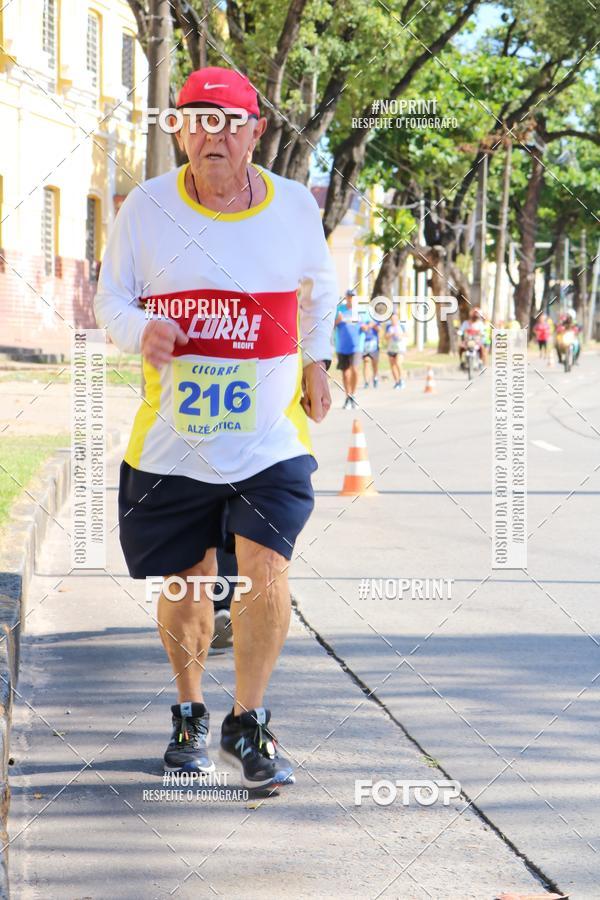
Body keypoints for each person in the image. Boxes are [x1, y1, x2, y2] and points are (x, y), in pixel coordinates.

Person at [94, 66, 338, 789]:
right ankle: (192, 709)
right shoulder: (145, 208)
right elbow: (110, 299)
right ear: (180, 131)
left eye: (231, 122)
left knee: (266, 569)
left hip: (269, 440)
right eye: (198, 120)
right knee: (186, 580)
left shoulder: (293, 208)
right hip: (174, 441)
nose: (215, 135)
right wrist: (142, 328)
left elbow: (321, 287)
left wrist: (317, 360)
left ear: (255, 133)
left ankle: (249, 719)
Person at [334, 289, 364, 408]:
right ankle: (348, 397)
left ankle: (353, 394)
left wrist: (366, 327)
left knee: (355, 370)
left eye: (353, 297)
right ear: (346, 297)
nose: (351, 299)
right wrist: (338, 320)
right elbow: (331, 325)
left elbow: (366, 324)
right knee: (346, 374)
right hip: (342, 346)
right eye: (349, 296)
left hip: (356, 346)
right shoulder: (339, 310)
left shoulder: (359, 311)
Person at [385, 313, 407, 389]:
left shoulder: (401, 326)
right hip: (391, 349)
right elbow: (386, 337)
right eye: (392, 319)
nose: (393, 321)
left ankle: (401, 380)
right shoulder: (388, 327)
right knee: (393, 366)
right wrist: (391, 335)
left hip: (400, 349)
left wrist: (400, 335)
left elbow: (406, 334)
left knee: (398, 363)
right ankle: (397, 382)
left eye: (395, 319)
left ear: (398, 319)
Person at [362, 316, 380, 388]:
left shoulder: (376, 318)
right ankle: (366, 381)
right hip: (364, 343)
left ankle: (375, 377)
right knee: (366, 361)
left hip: (374, 344)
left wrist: (373, 325)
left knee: (374, 363)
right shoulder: (361, 318)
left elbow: (379, 330)